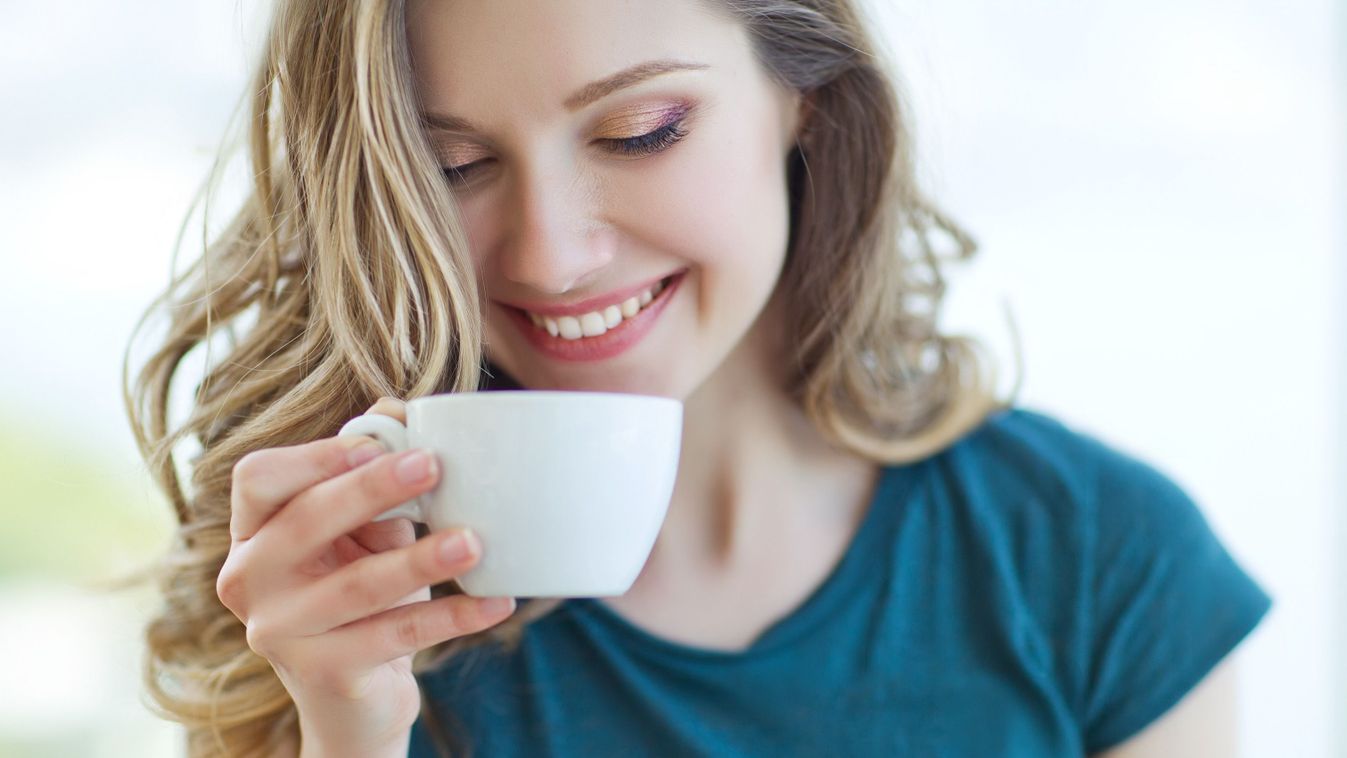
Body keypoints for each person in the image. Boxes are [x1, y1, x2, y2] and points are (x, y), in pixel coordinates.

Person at [122, 1, 1271, 756]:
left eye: (641, 130)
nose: (549, 254)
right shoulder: (336, 609)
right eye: (455, 166)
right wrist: (346, 727)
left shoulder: (1100, 562)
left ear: (802, 93)